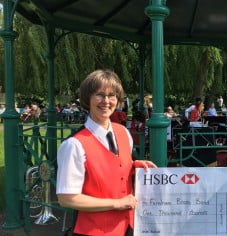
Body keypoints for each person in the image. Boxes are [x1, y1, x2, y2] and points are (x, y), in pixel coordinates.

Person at [56, 69, 157, 236]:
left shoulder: (123, 132)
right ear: (87, 98)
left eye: (112, 95)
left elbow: (114, 167)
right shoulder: (74, 145)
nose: (106, 101)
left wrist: (133, 166)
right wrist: (116, 204)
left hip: (129, 227)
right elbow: (67, 198)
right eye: (100, 95)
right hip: (93, 231)